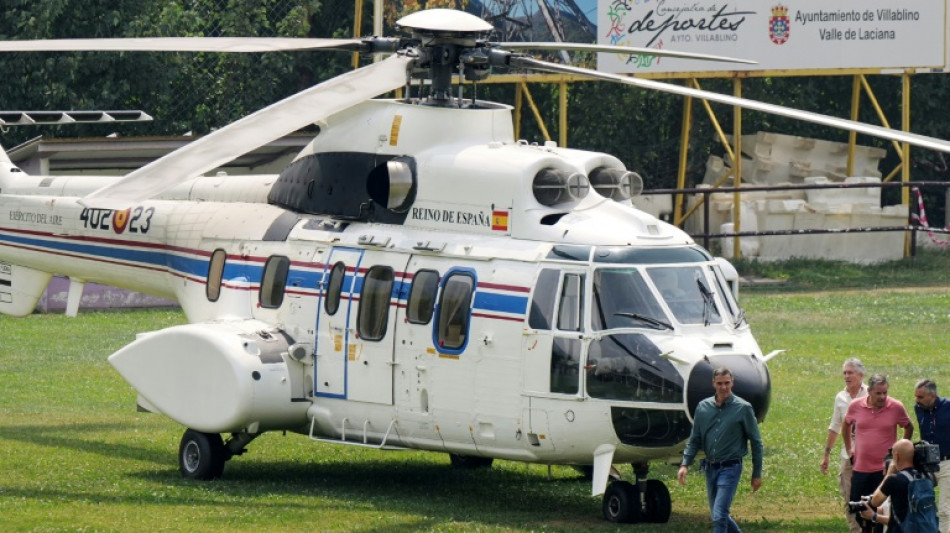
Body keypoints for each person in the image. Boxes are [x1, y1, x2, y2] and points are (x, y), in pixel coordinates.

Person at [678, 366, 764, 533]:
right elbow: (694, 439)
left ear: (732, 383)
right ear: (713, 384)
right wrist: (684, 464)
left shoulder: (743, 408)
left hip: (731, 468)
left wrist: (756, 474)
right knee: (718, 515)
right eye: (719, 383)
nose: (723, 387)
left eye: (727, 383)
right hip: (710, 468)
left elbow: (756, 442)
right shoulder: (703, 407)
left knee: (719, 516)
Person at [843, 374, 914, 533]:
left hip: (884, 471)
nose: (883, 397)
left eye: (885, 393)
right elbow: (846, 424)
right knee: (859, 509)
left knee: (883, 509)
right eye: (878, 393)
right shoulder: (855, 406)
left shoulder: (896, 407)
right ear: (869, 391)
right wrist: (849, 448)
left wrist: (899, 453)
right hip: (860, 468)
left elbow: (908, 426)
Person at [821, 358, 869, 533]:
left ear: (861, 375)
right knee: (849, 496)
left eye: (850, 372)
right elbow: (835, 426)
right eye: (844, 372)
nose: (846, 376)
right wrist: (826, 454)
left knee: (870, 495)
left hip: (869, 456)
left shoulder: (871, 394)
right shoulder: (840, 398)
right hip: (847, 456)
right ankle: (855, 530)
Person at [858, 438, 936, 533]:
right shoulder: (927, 477)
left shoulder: (894, 480)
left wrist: (889, 474)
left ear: (897, 456)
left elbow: (875, 501)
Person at [914, 379, 950, 533]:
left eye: (920, 397)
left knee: (944, 509)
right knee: (921, 504)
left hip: (947, 463)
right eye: (916, 396)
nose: (917, 400)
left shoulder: (948, 407)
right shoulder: (919, 408)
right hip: (926, 465)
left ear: (932, 395)